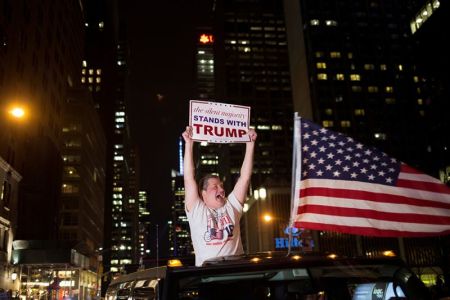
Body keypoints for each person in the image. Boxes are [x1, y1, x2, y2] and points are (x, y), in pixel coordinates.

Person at [182, 125, 257, 266]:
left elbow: (245, 178)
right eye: (215, 187)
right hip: (208, 277)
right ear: (203, 193)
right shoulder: (197, 211)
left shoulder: (232, 206)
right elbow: (188, 179)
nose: (221, 190)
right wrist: (189, 144)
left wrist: (250, 144)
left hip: (236, 273)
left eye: (222, 186)